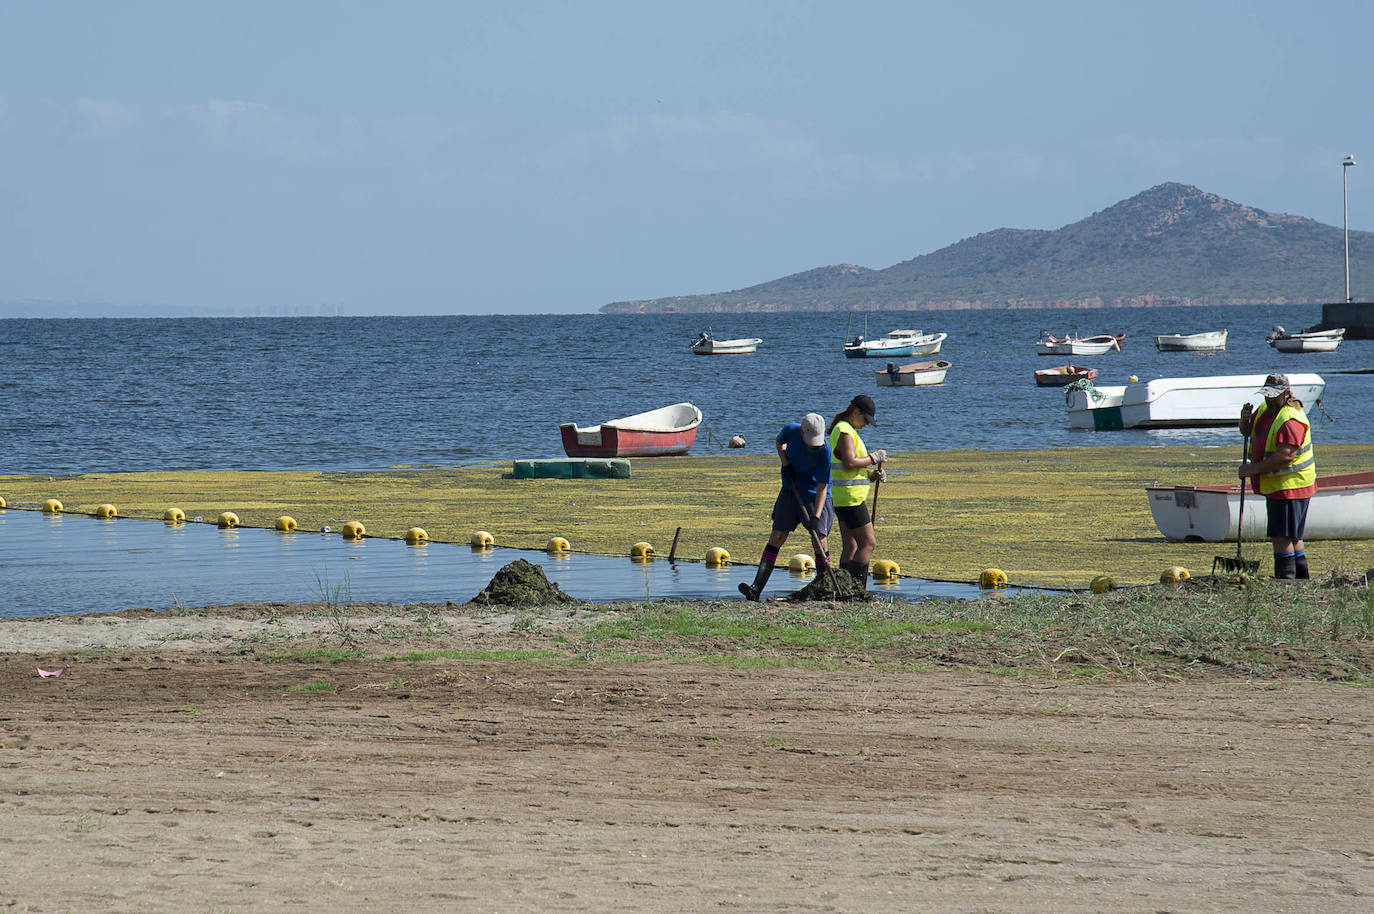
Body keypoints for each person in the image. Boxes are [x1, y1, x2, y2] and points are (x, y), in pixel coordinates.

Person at [738, 412, 834, 601]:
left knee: (819, 539)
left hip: (816, 495)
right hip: (790, 491)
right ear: (801, 431)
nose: (813, 446)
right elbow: (779, 442)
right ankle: (756, 588)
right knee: (777, 536)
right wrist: (786, 463)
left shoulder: (825, 451)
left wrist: (816, 515)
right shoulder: (790, 430)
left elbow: (823, 485)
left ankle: (823, 587)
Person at [1238, 373, 1317, 580]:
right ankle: (1301, 581)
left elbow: (1286, 456)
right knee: (1292, 536)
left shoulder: (1290, 419)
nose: (1269, 399)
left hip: (1290, 486)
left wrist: (1252, 469)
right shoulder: (1266, 410)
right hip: (1278, 486)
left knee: (1281, 537)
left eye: (1274, 395)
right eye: (1267, 395)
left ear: (1286, 394)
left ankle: (1286, 581)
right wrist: (1245, 419)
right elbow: (1248, 432)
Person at [827, 395, 887, 590]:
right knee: (868, 543)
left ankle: (841, 588)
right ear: (855, 412)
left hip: (843, 496)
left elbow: (851, 468)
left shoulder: (845, 429)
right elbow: (849, 462)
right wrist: (873, 457)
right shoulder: (844, 430)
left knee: (851, 546)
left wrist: (872, 476)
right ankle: (855, 589)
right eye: (865, 420)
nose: (867, 425)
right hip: (851, 498)